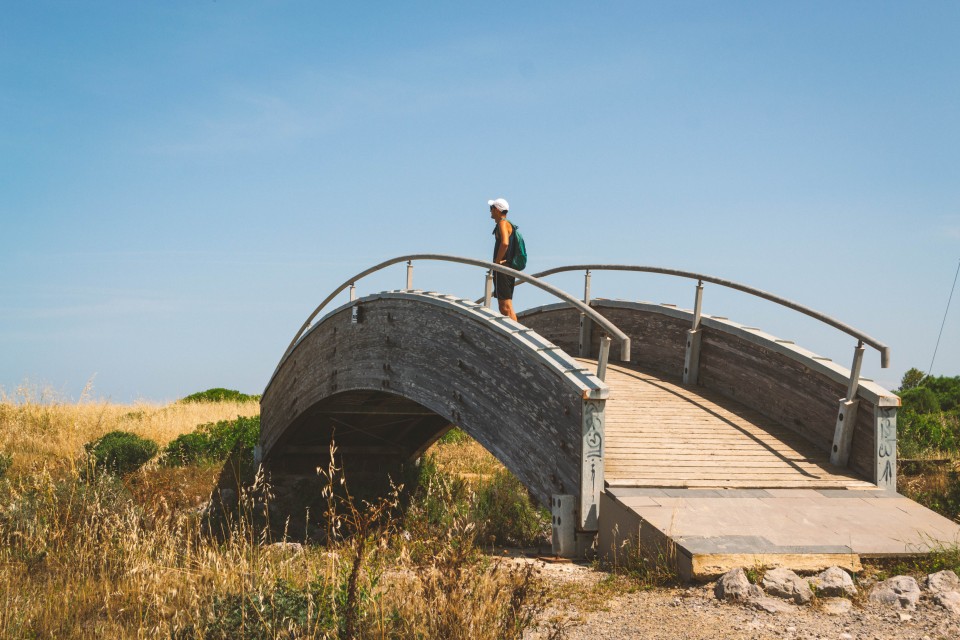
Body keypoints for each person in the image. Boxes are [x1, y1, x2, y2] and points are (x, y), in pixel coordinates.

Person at [488, 197, 518, 321]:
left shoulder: (502, 223)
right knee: (506, 305)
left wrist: (497, 262)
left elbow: (505, 243)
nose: (490, 211)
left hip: (503, 269)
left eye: (491, 208)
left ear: (497, 210)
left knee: (505, 307)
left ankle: (516, 335)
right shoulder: (507, 224)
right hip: (507, 267)